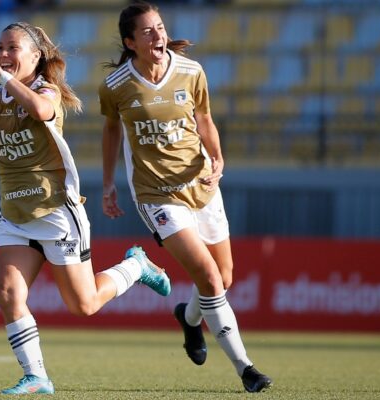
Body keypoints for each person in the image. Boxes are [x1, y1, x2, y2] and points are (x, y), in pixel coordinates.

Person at [0, 21, 171, 395]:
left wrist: (6, 81)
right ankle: (37, 376)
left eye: (13, 48)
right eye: (0, 47)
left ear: (35, 56)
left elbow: (41, 110)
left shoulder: (46, 89)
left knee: (84, 305)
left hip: (56, 210)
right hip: (14, 215)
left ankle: (135, 265)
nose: (4, 55)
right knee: (7, 292)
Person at [98, 1, 271, 393]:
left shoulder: (191, 71)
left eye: (159, 27)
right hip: (157, 194)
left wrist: (219, 157)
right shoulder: (116, 85)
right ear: (130, 42)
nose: (158, 35)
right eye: (147, 31)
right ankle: (246, 368)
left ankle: (190, 319)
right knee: (209, 276)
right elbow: (111, 131)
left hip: (202, 185)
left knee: (222, 277)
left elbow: (205, 120)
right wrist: (108, 183)